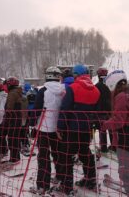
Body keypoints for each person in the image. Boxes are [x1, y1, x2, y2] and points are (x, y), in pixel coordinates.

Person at [57, 64, 100, 196]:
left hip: (73, 129)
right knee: (85, 153)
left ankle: (67, 185)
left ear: (76, 75)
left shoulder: (73, 88)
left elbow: (65, 109)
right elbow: (96, 111)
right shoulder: (96, 90)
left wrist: (60, 127)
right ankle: (91, 178)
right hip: (86, 128)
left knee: (66, 156)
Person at [29, 66, 65, 194]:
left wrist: (32, 124)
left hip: (44, 128)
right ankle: (61, 177)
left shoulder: (43, 90)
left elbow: (37, 109)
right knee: (58, 154)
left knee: (43, 156)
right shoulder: (64, 89)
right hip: (58, 128)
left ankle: (42, 185)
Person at [4, 76, 23, 163]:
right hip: (18, 117)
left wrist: (7, 116)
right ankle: (16, 156)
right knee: (16, 137)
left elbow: (9, 107)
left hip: (12, 117)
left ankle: (14, 158)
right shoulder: (18, 92)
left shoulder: (12, 93)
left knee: (12, 137)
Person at [94, 67, 113, 153]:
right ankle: (114, 146)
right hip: (110, 110)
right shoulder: (110, 84)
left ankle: (104, 148)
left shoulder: (97, 86)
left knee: (102, 130)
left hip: (100, 111)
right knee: (111, 129)